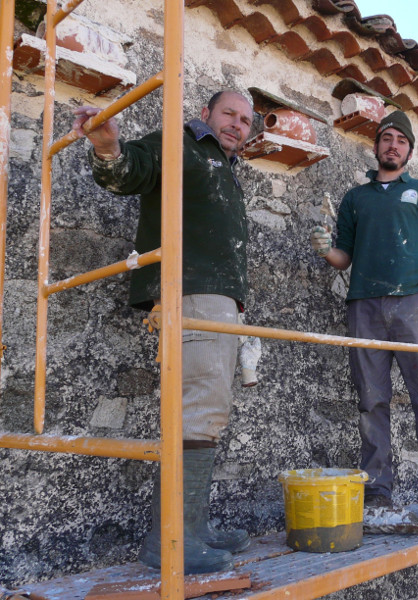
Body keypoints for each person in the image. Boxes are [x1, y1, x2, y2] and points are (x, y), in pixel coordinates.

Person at [72, 91, 254, 573]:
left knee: (208, 409)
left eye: (246, 120)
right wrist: (109, 147)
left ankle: (193, 527)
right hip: (191, 289)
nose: (238, 124)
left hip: (215, 297)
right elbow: (131, 170)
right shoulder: (182, 141)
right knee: (198, 410)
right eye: (229, 114)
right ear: (205, 115)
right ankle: (170, 541)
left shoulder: (221, 163)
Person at [310, 111, 418, 520]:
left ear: (410, 151)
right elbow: (343, 258)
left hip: (415, 304)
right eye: (386, 138)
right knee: (371, 401)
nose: (392, 144)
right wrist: (325, 249)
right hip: (363, 305)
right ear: (376, 146)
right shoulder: (355, 198)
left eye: (401, 139)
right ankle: (377, 492)